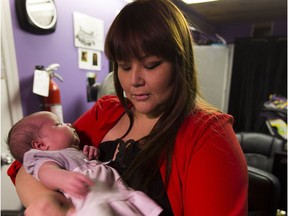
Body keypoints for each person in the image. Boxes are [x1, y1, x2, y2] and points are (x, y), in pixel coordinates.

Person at [8, 0, 248, 215]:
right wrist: (47, 201)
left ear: (180, 62)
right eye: (124, 66)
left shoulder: (208, 135)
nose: (134, 81)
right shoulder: (107, 111)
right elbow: (26, 163)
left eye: (151, 65)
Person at [7, 111, 162, 216]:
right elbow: (45, 172)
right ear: (41, 146)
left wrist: (90, 155)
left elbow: (86, 164)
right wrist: (63, 178)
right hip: (91, 200)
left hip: (114, 194)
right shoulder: (47, 158)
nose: (69, 124)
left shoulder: (74, 152)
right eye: (58, 124)